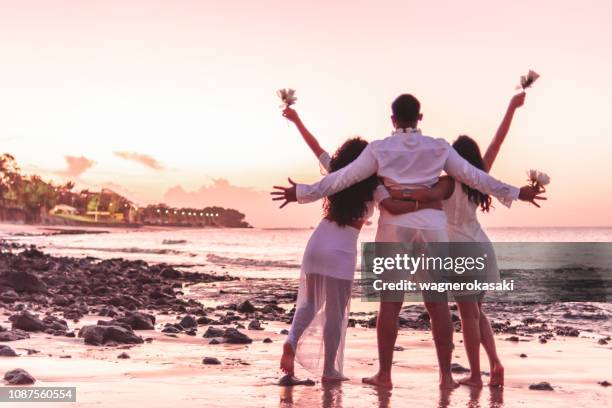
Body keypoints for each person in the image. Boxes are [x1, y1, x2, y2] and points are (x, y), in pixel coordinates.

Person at [271, 94, 545, 389]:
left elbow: (343, 178)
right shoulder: (439, 147)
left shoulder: (379, 149)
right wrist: (517, 192)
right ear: (420, 117)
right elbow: (474, 176)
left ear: (392, 119)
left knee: (390, 306)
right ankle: (446, 377)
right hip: (432, 227)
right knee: (437, 305)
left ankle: (385, 375)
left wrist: (303, 192)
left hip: (394, 228)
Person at [278, 107, 442, 382]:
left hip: (317, 242)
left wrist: (296, 120)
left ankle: (292, 342)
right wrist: (424, 202)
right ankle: (329, 369)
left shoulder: (337, 171)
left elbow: (315, 146)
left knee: (309, 304)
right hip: (341, 249)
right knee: (335, 312)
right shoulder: (372, 184)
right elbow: (392, 206)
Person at [391, 92, 528, 388]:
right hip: (480, 245)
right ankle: (494, 363)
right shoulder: (479, 176)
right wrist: (511, 108)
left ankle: (477, 375)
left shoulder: (445, 183)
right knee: (477, 313)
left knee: (468, 316)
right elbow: (497, 143)